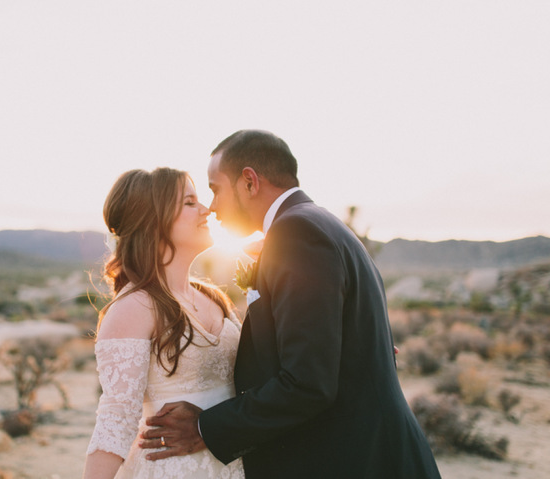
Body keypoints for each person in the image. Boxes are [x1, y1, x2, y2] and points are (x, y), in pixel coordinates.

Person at [140, 130, 441, 478]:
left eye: (216, 189)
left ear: (249, 181)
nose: (214, 206)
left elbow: (307, 382)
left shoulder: (297, 233)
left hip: (358, 461)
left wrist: (205, 428)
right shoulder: (318, 224)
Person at [82, 168, 245, 478]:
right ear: (154, 221)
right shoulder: (134, 308)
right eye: (189, 202)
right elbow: (115, 423)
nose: (206, 210)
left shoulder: (213, 297)